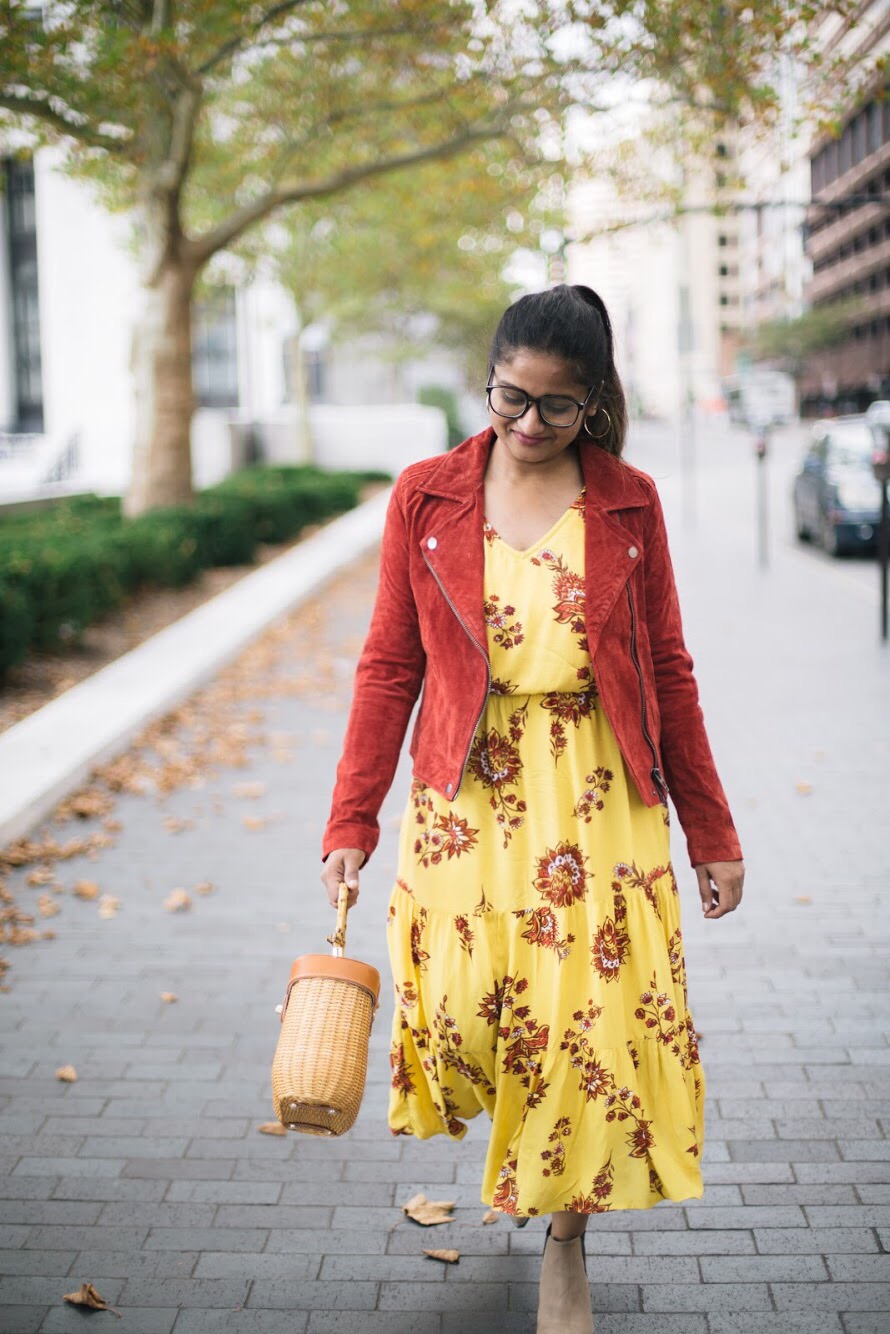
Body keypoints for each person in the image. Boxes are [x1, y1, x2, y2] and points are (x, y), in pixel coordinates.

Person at [321, 283, 744, 1333]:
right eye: (509, 397)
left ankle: (564, 1235)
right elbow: (387, 666)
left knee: (579, 1029)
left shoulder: (627, 500)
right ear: (490, 377)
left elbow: (670, 670)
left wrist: (712, 831)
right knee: (463, 1011)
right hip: (466, 791)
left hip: (596, 794)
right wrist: (350, 822)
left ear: (593, 403)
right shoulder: (426, 495)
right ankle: (515, 1152)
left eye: (554, 408)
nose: (525, 425)